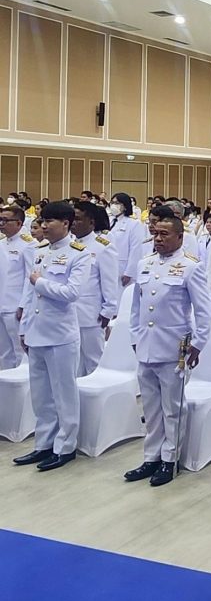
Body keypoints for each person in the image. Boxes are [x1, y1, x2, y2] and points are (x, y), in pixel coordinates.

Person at [124, 211, 211, 486]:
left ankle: (169, 459)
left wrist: (197, 344)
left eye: (165, 234)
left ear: (180, 237)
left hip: (174, 348)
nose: (158, 239)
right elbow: (136, 306)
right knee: (151, 408)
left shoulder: (191, 266)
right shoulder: (144, 264)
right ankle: (151, 457)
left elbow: (203, 311)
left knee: (172, 408)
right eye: (156, 234)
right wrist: (135, 336)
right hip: (146, 346)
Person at [13, 202, 92, 471]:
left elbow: (71, 293)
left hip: (60, 335)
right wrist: (24, 328)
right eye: (42, 221)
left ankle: (65, 447)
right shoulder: (39, 251)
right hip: (36, 331)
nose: (44, 226)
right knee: (41, 395)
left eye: (50, 221)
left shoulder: (79, 254)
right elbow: (28, 293)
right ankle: (44, 444)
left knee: (64, 394)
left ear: (66, 224)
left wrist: (40, 282)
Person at [71, 201, 120, 376]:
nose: (73, 223)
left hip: (91, 314)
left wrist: (108, 310)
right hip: (68, 314)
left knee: (93, 362)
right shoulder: (68, 245)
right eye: (71, 219)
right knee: (73, 364)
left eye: (78, 219)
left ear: (91, 222)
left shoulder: (103, 247)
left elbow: (109, 282)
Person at [0, 205, 37, 369]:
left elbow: (29, 278)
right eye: (0, 220)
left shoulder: (28, 245)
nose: (1, 224)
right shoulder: (2, 243)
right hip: (1, 302)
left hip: (14, 305)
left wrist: (23, 305)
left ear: (19, 223)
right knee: (3, 352)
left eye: (5, 220)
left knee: (19, 350)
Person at [107, 192, 145, 286]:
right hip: (108, 266)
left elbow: (136, 249)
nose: (113, 205)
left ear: (125, 206)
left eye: (117, 203)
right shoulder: (110, 221)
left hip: (123, 268)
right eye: (112, 202)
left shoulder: (134, 224)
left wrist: (129, 272)